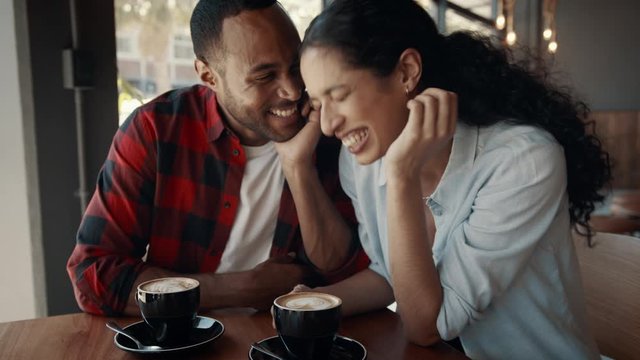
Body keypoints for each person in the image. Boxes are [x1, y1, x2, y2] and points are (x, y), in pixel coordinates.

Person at [295, 0, 610, 358]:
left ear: (406, 72)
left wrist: (402, 176)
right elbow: (390, 275)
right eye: (319, 103)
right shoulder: (363, 160)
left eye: (339, 95)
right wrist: (310, 304)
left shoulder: (523, 161)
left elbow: (427, 325)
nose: (327, 125)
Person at [66, 0, 367, 317]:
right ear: (209, 76)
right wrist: (241, 288)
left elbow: (342, 272)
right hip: (184, 340)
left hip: (286, 340)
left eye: (295, 67)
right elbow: (92, 275)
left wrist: (298, 167)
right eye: (265, 77)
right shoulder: (156, 131)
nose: (293, 91)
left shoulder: (328, 127)